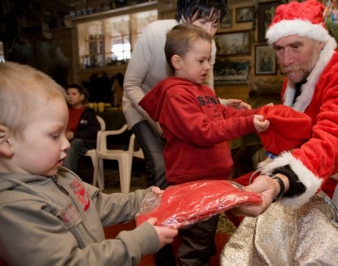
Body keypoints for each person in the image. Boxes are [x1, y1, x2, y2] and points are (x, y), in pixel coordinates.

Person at [0, 62, 178, 266]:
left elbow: (97, 205)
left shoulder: (61, 176)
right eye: (54, 135)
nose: (66, 143)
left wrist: (144, 199)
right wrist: (138, 242)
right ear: (5, 140)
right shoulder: (15, 208)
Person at [236, 0, 338, 223]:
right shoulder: (295, 79)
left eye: (296, 47)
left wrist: (281, 181)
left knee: (259, 209)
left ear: (319, 43)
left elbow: (334, 139)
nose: (286, 61)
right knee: (231, 192)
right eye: (280, 49)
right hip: (314, 172)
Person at [138, 24, 270, 266]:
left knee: (203, 235)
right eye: (201, 61)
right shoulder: (176, 96)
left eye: (208, 60)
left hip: (212, 178)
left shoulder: (202, 91)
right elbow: (202, 131)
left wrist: (254, 115)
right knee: (196, 241)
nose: (207, 66)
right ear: (177, 62)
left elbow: (223, 114)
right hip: (195, 181)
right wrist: (248, 124)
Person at [123, 0, 250, 191]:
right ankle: (156, 216)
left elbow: (203, 92)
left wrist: (224, 103)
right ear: (183, 15)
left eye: (214, 24)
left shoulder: (208, 45)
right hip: (142, 105)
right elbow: (131, 84)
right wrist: (159, 125)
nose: (208, 31)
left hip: (181, 108)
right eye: (202, 22)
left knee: (188, 165)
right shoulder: (155, 33)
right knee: (159, 164)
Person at [63, 83, 100, 173]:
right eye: (68, 94)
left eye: (74, 94)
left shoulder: (88, 112)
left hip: (83, 141)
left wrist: (74, 134)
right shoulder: (64, 110)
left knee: (72, 145)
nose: (70, 96)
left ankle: (68, 179)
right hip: (64, 138)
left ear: (81, 97)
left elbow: (94, 131)